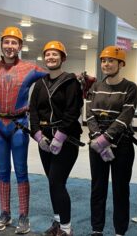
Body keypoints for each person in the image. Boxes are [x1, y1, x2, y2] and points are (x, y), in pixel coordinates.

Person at [0, 26, 46, 234]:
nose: (10, 46)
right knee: (3, 172)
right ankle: (5, 213)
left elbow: (54, 79)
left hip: (19, 126)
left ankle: (23, 217)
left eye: (14, 42)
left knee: (21, 171)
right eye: (7, 42)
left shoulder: (31, 69)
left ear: (20, 46)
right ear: (1, 44)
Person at [29, 41, 83, 236]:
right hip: (44, 139)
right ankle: (57, 223)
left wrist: (59, 137)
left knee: (57, 182)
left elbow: (72, 111)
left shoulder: (71, 82)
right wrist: (37, 135)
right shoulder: (39, 84)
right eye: (48, 54)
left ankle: (66, 229)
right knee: (52, 183)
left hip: (66, 141)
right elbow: (33, 112)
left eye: (55, 54)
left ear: (63, 58)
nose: (51, 57)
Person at [87, 46, 137, 236]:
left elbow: (125, 116)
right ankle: (96, 229)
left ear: (121, 63)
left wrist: (106, 139)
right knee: (97, 188)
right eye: (103, 61)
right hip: (97, 146)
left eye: (111, 61)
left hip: (122, 145)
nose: (106, 64)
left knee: (120, 190)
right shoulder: (95, 87)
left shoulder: (130, 87)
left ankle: (119, 231)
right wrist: (97, 140)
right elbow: (89, 115)